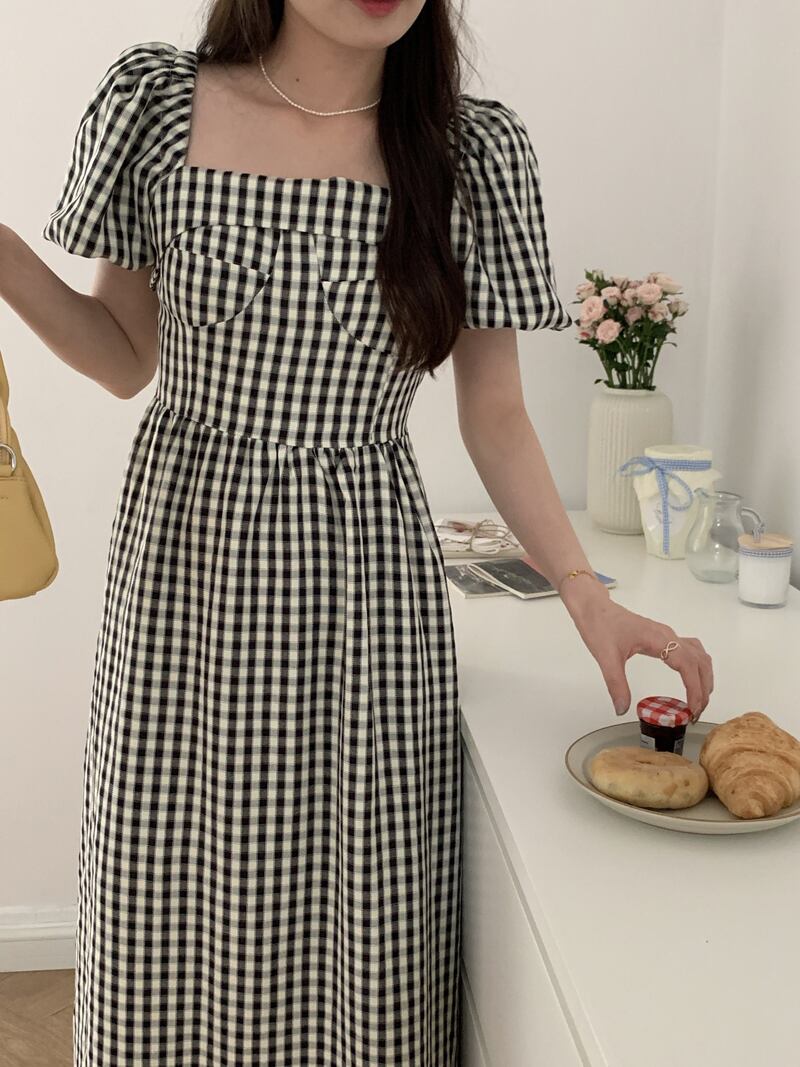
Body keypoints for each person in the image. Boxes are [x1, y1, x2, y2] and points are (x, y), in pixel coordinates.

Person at [0, 1, 714, 1064]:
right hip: (183, 579)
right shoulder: (158, 105)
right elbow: (122, 356)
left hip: (362, 584)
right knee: (169, 882)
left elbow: (495, 412)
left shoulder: (471, 153)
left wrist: (586, 593)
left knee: (354, 898)